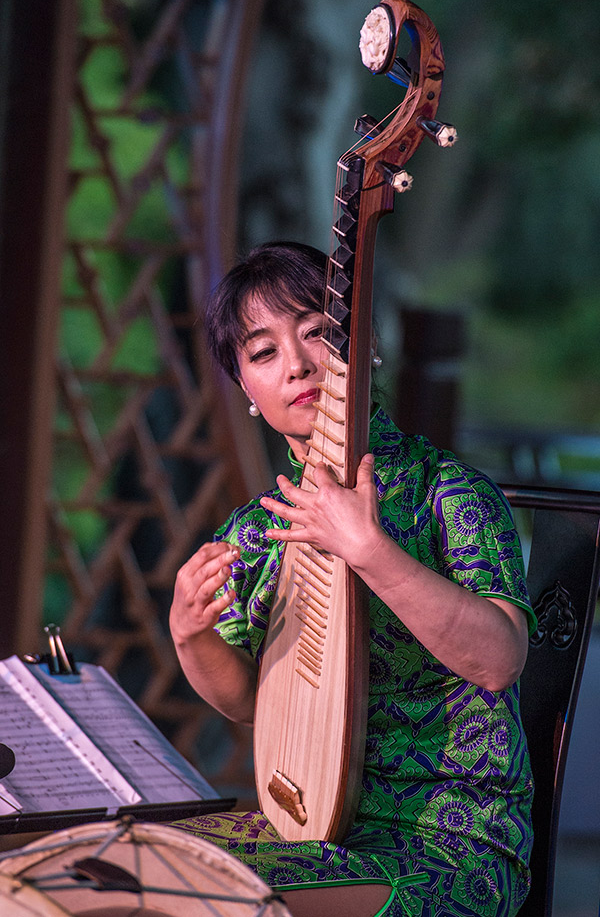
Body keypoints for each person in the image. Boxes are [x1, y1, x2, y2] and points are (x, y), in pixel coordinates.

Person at [169, 242, 535, 917]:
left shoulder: (448, 495)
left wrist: (370, 550)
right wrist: (190, 635)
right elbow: (251, 698)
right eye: (263, 352)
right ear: (246, 390)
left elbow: (499, 659)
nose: (299, 363)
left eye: (316, 332)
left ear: (364, 348)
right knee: (134, 876)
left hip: (448, 840)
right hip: (306, 824)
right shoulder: (257, 529)